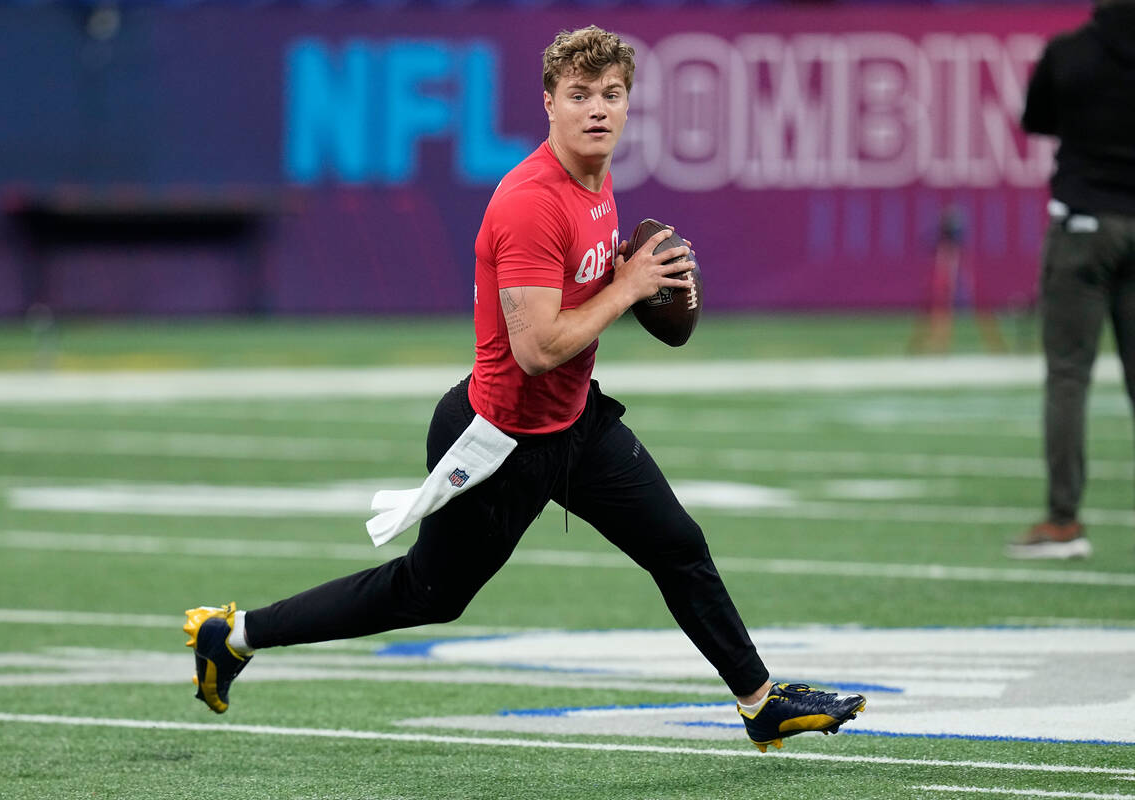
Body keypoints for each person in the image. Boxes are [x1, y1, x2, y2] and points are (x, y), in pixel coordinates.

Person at [184, 25, 865, 752]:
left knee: (677, 544)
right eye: (579, 95)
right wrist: (629, 286)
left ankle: (759, 700)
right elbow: (537, 348)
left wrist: (624, 280)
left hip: (573, 424)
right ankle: (236, 636)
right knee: (427, 595)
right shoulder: (530, 201)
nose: (597, 110)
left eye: (611, 94)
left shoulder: (597, 180)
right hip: (499, 439)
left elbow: (576, 304)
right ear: (548, 103)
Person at [1009, 0, 1135, 560]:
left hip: (1084, 222)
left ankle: (1064, 520)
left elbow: (1036, 120)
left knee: (1068, 376)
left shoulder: (1069, 52)